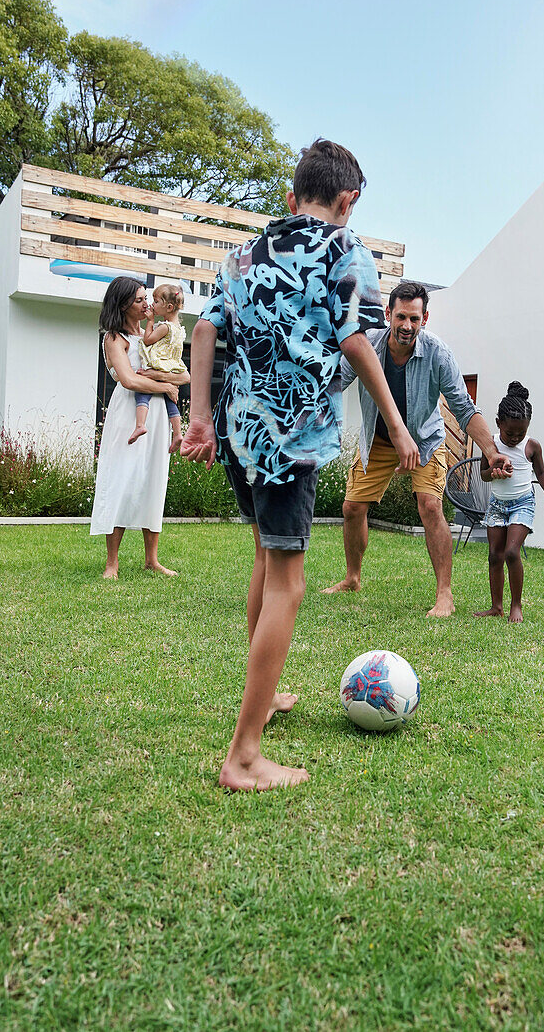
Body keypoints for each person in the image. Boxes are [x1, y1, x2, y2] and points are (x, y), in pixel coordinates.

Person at [181, 138, 419, 792]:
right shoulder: (347, 250)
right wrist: (396, 427)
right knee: (289, 578)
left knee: (266, 556)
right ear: (349, 200)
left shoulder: (240, 254)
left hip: (237, 427)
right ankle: (244, 757)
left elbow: (204, 333)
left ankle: (267, 691)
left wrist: (199, 418)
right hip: (290, 433)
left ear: (291, 198)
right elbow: (356, 343)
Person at [322, 280, 512, 617]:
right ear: (387, 314)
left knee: (429, 506)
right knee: (352, 508)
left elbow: (465, 409)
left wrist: (492, 451)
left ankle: (445, 595)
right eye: (401, 317)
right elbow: (333, 383)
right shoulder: (369, 347)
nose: (407, 326)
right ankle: (352, 578)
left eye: (414, 318)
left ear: (425, 319)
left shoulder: (438, 353)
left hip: (424, 440)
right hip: (378, 439)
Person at [90, 276, 190, 579]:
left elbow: (184, 377)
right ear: (122, 305)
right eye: (139, 300)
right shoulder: (114, 338)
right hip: (129, 415)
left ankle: (152, 559)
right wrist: (164, 387)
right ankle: (112, 562)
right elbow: (129, 380)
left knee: (153, 479)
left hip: (156, 416)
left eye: (147, 298)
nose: (147, 304)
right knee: (122, 478)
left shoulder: (159, 333)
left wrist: (166, 385)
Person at [474, 381, 544, 623]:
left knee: (512, 551)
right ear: (498, 423)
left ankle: (516, 605)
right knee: (494, 554)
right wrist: (493, 472)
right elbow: (482, 474)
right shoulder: (490, 444)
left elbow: (541, 473)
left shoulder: (532, 446)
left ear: (528, 428)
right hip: (497, 505)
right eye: (509, 433)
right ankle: (496, 606)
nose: (514, 438)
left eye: (520, 433)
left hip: (523, 503)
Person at [129, 283, 187, 454]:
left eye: (155, 301)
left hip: (158, 364)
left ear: (168, 307)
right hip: (171, 367)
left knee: (143, 391)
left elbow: (147, 340)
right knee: (171, 400)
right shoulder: (179, 329)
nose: (151, 305)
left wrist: (150, 322)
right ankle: (177, 433)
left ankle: (140, 425)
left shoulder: (164, 327)